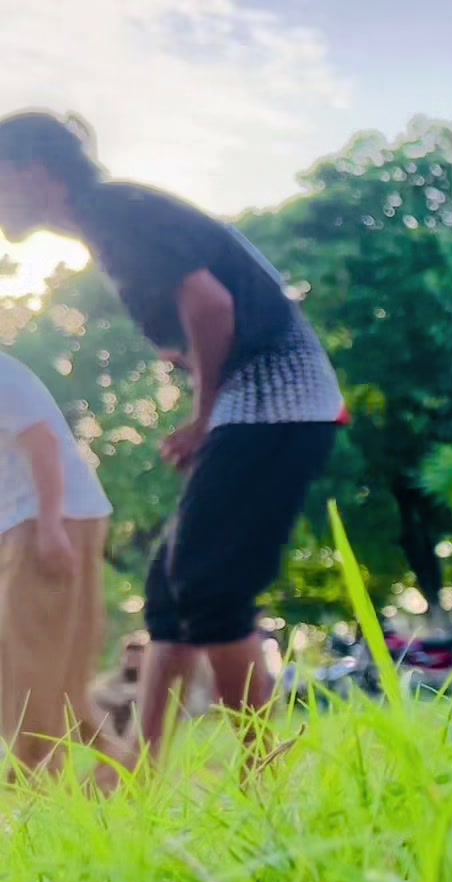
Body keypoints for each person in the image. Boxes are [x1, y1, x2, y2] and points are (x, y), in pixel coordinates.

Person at [0, 112, 344, 765]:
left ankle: (263, 774)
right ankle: (143, 772)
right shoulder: (110, 219)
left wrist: (203, 417)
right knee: (168, 591)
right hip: (253, 402)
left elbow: (212, 305)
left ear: (34, 172)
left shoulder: (113, 212)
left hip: (276, 399)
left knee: (210, 589)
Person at [0, 351, 126, 782]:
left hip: (48, 517)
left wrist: (51, 526)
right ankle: (120, 768)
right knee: (49, 669)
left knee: (32, 660)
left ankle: (34, 780)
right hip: (24, 521)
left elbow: (43, 442)